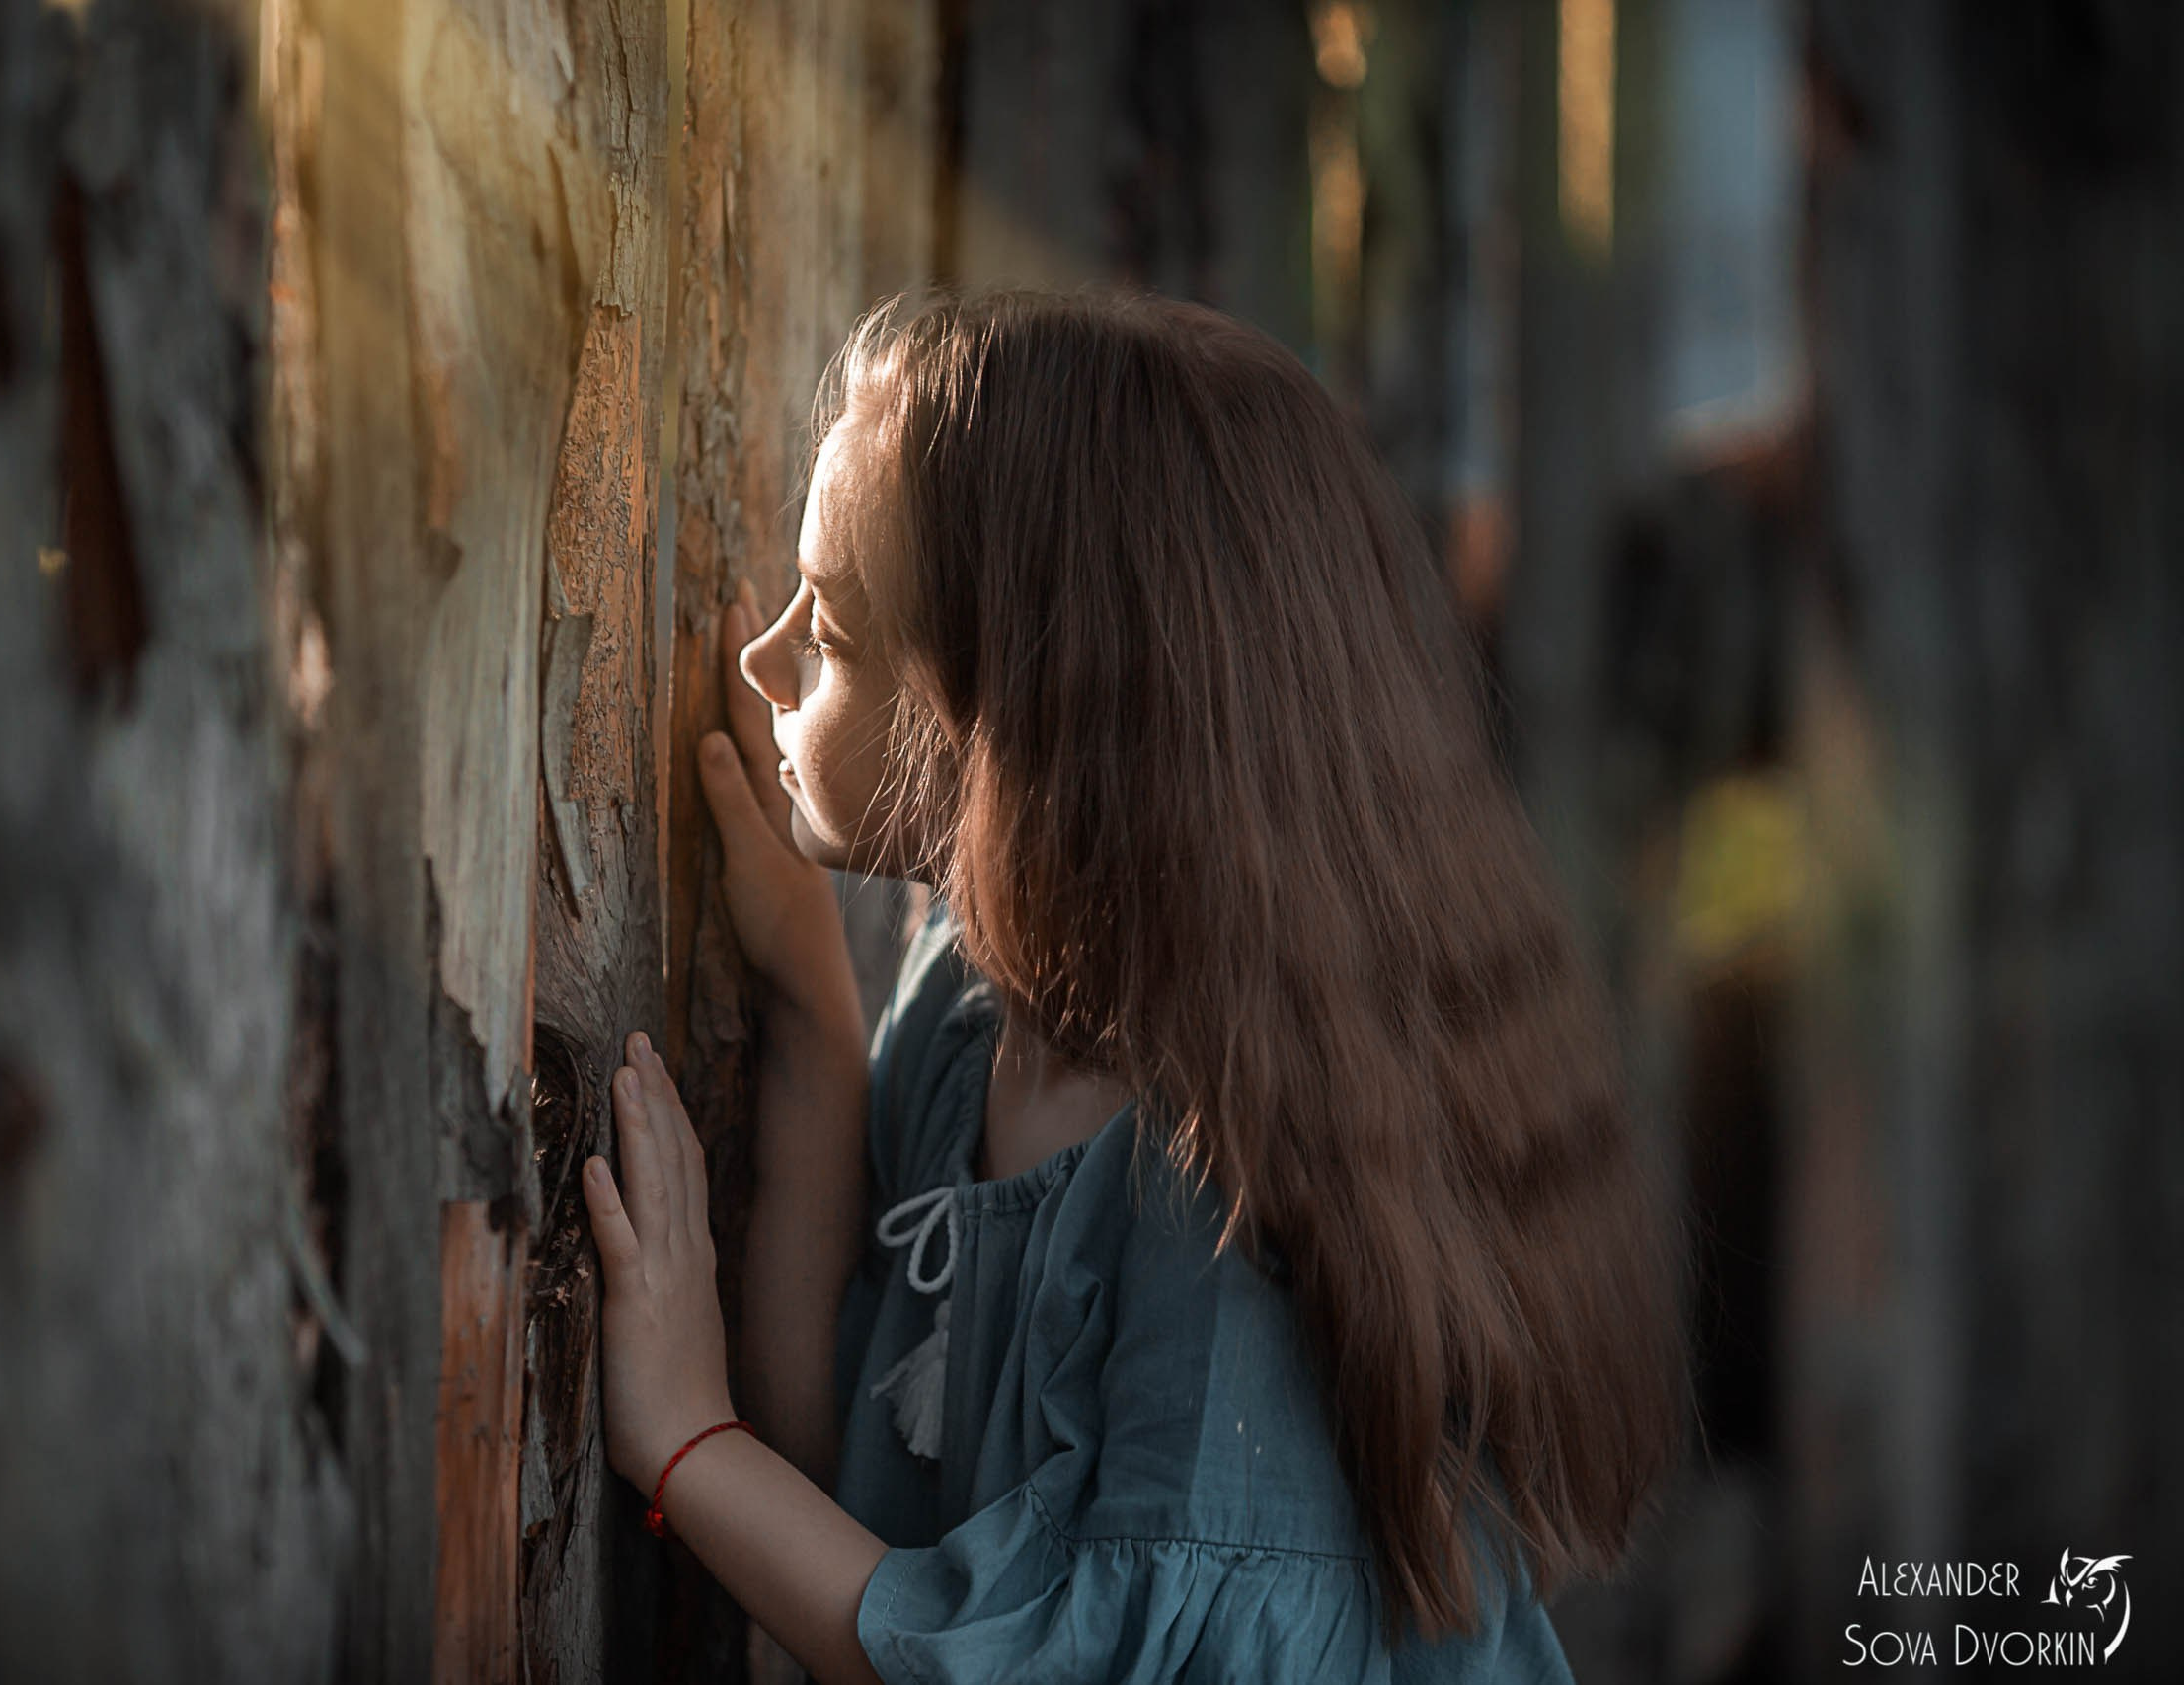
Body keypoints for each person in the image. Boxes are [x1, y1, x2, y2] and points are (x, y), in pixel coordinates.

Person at [579, 287, 1689, 1683]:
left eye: (835, 633)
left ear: (1023, 711)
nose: (762, 658)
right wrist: (810, 1006)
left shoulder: (1224, 1203)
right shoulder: (976, 1014)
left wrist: (686, 1444)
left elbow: (1040, 1661)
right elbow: (855, 1477)